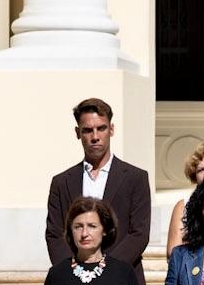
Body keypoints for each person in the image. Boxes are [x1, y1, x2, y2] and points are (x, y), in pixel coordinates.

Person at [42, 98, 151, 269]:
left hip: (122, 280)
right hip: (74, 279)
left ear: (111, 129)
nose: (95, 137)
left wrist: (106, 270)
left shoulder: (136, 178)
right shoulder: (61, 182)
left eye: (101, 128)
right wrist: (71, 270)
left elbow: (139, 233)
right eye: (87, 130)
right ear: (78, 133)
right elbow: (54, 234)